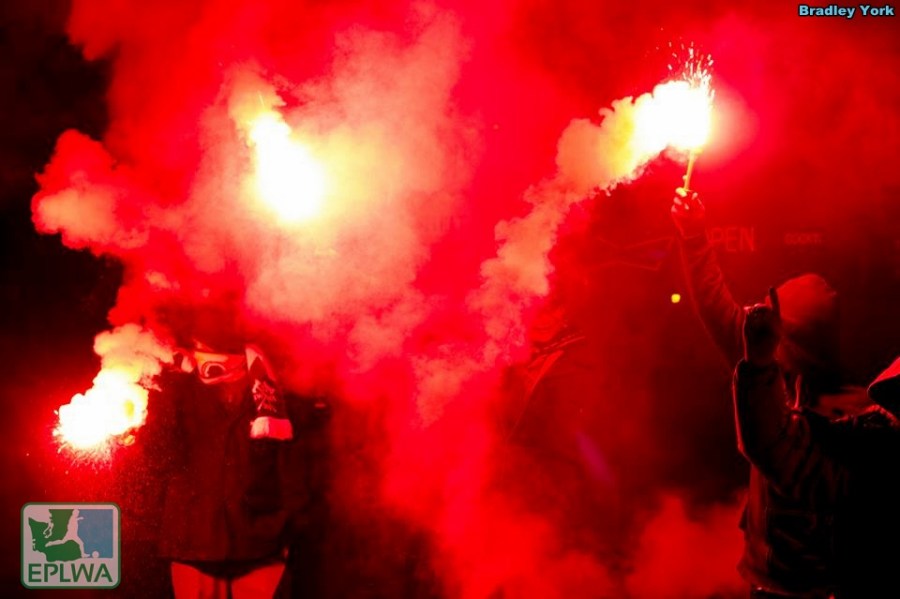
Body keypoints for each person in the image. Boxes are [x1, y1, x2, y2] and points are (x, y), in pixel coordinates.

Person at [672, 190, 870, 598]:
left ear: (792, 339)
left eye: (768, 316)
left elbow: (769, 446)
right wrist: (694, 236)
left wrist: (760, 366)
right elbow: (715, 307)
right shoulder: (768, 369)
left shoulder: (850, 416)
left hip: (813, 591)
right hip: (762, 581)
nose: (753, 320)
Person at [146, 305, 305, 599]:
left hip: (261, 540)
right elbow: (157, 454)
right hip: (194, 539)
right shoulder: (175, 386)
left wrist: (289, 526)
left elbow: (292, 465)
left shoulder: (271, 386)